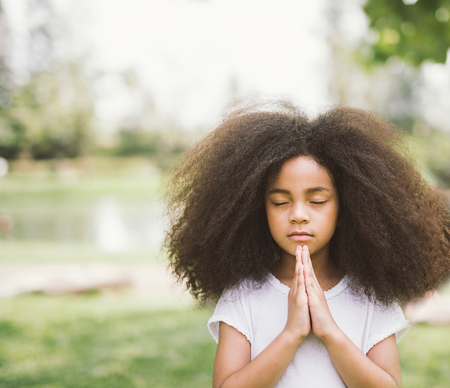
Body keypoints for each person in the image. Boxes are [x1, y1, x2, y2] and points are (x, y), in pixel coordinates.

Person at [163, 100, 450, 387]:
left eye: (317, 201)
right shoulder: (243, 295)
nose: (298, 215)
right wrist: (292, 333)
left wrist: (329, 331)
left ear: (348, 208)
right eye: (280, 202)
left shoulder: (372, 295)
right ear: (257, 209)